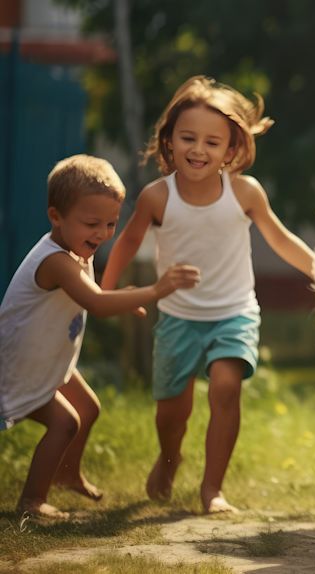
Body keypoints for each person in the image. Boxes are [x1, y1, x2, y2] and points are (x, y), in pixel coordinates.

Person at [100, 76, 315, 514]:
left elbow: (280, 239)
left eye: (211, 142)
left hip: (234, 313)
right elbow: (126, 240)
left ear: (230, 149)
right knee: (171, 414)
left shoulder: (244, 192)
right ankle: (168, 458)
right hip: (178, 318)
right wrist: (105, 289)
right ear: (169, 140)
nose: (199, 149)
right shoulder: (157, 196)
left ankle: (212, 489)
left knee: (225, 386)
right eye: (188, 138)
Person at [0, 155, 200, 519]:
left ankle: (66, 474)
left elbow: (98, 297)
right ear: (56, 216)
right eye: (92, 223)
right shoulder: (56, 260)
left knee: (89, 408)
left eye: (111, 223)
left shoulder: (77, 249)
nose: (103, 233)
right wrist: (155, 291)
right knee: (66, 422)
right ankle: (31, 500)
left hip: (49, 357)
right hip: (20, 365)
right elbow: (96, 301)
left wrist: (125, 302)